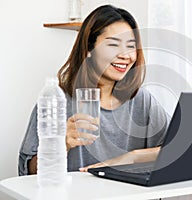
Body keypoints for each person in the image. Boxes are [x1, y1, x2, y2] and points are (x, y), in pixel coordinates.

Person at [18, 4, 170, 175]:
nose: (125, 55)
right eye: (113, 45)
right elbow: (29, 173)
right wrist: (61, 144)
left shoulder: (140, 99)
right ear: (89, 49)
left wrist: (130, 158)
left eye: (130, 46)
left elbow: (178, 149)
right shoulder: (58, 100)